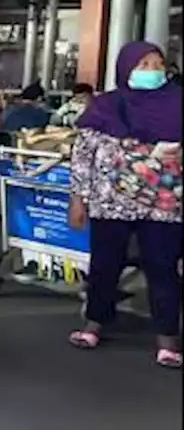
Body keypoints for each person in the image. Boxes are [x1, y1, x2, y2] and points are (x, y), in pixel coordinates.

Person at [67, 41, 182, 368]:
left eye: (157, 64)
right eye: (143, 64)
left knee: (163, 267)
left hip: (163, 203)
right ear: (126, 68)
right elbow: (82, 156)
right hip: (110, 202)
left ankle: (168, 338)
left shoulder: (177, 103)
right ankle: (94, 323)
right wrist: (78, 198)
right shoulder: (105, 107)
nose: (152, 71)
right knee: (105, 263)